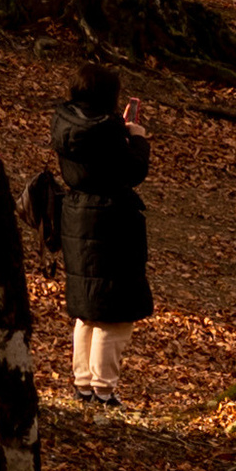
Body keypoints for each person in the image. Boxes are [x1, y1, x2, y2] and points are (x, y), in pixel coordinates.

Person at [51, 61, 152, 412]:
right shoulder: (106, 129)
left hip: (76, 215)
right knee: (115, 313)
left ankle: (83, 384)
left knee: (88, 308)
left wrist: (119, 131)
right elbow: (132, 170)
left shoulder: (65, 119)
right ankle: (104, 390)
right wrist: (137, 138)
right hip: (111, 220)